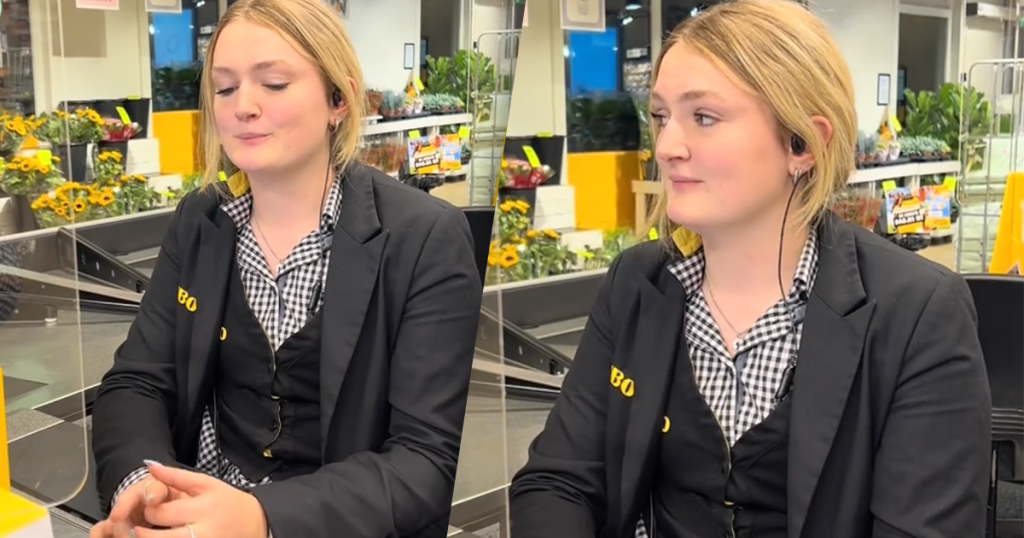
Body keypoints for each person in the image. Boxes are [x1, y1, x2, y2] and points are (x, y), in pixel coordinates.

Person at [509, 2, 991, 538]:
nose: (666, 148)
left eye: (704, 117)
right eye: (662, 117)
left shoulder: (916, 314)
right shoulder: (638, 284)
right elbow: (557, 481)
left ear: (803, 144)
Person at [89, 1, 482, 537]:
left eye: (273, 84)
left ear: (338, 99)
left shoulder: (424, 238)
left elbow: (423, 463)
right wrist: (145, 488)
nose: (243, 107)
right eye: (225, 88)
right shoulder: (201, 221)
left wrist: (262, 518)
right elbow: (137, 382)